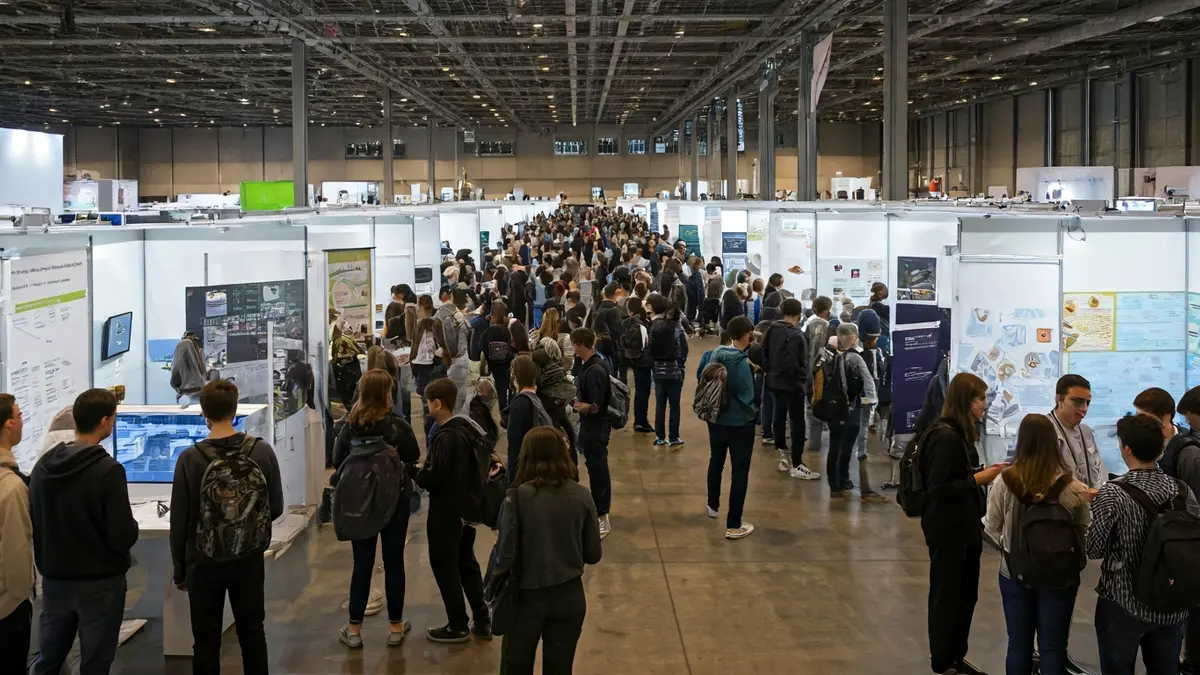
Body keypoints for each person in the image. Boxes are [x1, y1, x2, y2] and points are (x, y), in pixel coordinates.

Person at [169, 380, 284, 675]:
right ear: (235, 411)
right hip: (248, 558)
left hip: (203, 562)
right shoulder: (261, 452)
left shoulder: (189, 459)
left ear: (204, 414)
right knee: (252, 632)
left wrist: (180, 569)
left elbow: (179, 521)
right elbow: (276, 507)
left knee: (205, 641)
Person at [30, 389, 138, 675]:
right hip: (99, 584)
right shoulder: (108, 470)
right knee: (95, 663)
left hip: (54, 580)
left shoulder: (43, 468)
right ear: (104, 421)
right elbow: (122, 536)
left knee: (48, 660)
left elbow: (35, 520)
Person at [1087, 414, 1199, 675]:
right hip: (1172, 600)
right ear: (1161, 448)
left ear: (1126, 448)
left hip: (1123, 602)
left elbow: (1094, 549)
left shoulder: (1113, 492)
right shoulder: (1181, 490)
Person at [982, 414, 1092, 675]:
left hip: (1014, 570)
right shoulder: (1073, 487)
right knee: (1053, 647)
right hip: (1060, 574)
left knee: (1018, 645)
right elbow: (1085, 527)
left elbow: (991, 526)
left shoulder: (1004, 481)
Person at [492, 427, 603, 674]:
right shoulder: (582, 495)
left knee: (515, 667)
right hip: (569, 597)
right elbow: (593, 555)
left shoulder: (517, 498)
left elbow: (504, 554)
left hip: (525, 599)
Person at [920, 373, 1005, 675]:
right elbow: (940, 487)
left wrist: (983, 471)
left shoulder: (958, 433)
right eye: (979, 399)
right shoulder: (945, 436)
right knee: (948, 595)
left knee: (965, 595)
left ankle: (956, 656)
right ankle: (944, 661)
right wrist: (979, 478)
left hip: (964, 527)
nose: (984, 405)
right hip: (949, 529)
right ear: (965, 401)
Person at [332, 370, 421, 648]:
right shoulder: (395, 424)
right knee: (394, 561)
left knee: (363, 564)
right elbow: (414, 455)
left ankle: (354, 628)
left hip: (359, 500)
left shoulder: (351, 424)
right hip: (394, 499)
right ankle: (395, 627)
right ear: (387, 393)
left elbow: (337, 459)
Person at [414, 378, 492, 643]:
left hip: (446, 511)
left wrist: (415, 473)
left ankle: (457, 624)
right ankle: (482, 619)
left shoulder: (445, 437)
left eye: (428, 403)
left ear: (437, 403)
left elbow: (435, 478)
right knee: (466, 564)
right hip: (466, 510)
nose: (426, 408)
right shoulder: (467, 430)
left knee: (444, 566)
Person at [704, 316, 759, 540]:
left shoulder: (715, 354)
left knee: (716, 460)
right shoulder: (742, 363)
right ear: (747, 334)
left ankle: (712, 505)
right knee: (739, 472)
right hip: (739, 424)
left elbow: (702, 376)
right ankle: (734, 524)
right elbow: (747, 394)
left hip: (716, 419)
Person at [823, 323, 880, 500]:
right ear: (854, 336)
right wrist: (871, 402)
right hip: (850, 407)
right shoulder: (855, 358)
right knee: (846, 446)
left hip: (832, 406)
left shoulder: (827, 353)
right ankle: (843, 479)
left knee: (835, 446)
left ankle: (835, 484)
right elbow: (868, 381)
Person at [763, 298, 819, 479]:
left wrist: (770, 372)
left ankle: (784, 457)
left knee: (778, 416)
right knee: (797, 423)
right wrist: (804, 381)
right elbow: (801, 363)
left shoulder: (771, 330)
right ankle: (797, 463)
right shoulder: (797, 335)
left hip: (774, 382)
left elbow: (763, 353)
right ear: (799, 314)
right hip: (793, 385)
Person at [572, 328, 613, 539]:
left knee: (598, 471)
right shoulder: (592, 365)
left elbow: (596, 405)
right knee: (595, 468)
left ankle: (602, 515)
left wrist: (581, 407)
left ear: (580, 344)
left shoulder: (595, 370)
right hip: (592, 428)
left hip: (596, 428)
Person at [0, 394, 31, 674]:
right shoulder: (11, 488)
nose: (23, 421)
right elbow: (17, 552)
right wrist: (24, 597)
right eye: (20, 416)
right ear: (9, 424)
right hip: (7, 610)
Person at [1048, 374, 1104, 489]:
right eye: (1077, 401)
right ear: (1059, 399)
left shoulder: (1086, 431)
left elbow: (1098, 470)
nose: (1084, 408)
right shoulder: (1044, 430)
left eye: (1087, 402)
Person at [647, 295, 688, 447]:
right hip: (675, 370)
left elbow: (650, 347)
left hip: (658, 370)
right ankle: (674, 437)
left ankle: (660, 436)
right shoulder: (678, 328)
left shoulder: (656, 326)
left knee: (660, 403)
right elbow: (684, 349)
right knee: (675, 405)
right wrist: (680, 363)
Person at [506, 355, 553, 482]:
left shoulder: (520, 402)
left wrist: (511, 477)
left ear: (515, 376)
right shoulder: (537, 397)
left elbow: (514, 442)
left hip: (525, 467)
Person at [803, 296, 833, 454]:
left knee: (809, 403)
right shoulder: (823, 324)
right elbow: (818, 349)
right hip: (817, 370)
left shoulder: (807, 322)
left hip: (807, 368)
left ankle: (811, 438)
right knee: (816, 403)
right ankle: (814, 442)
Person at [621, 296, 654, 433]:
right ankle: (641, 421)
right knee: (643, 391)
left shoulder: (627, 322)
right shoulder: (644, 320)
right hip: (645, 360)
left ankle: (639, 421)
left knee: (639, 391)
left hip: (633, 359)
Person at [478, 301, 515, 413]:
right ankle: (509, 409)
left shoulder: (488, 332)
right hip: (506, 363)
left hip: (494, 365)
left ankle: (502, 411)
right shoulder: (506, 330)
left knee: (500, 389)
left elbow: (482, 347)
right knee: (509, 387)